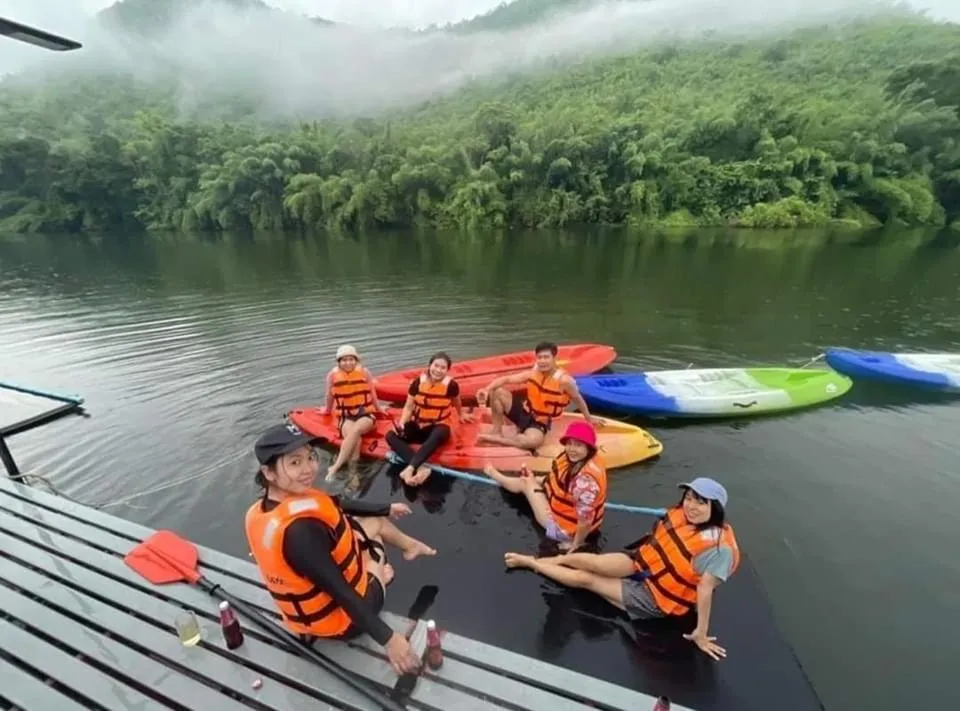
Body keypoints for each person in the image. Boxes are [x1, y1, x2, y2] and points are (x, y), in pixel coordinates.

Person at [245, 422, 437, 676]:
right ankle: (379, 571)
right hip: (341, 621)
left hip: (304, 609)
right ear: (268, 473)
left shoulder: (268, 507)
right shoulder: (299, 533)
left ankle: (409, 546)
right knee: (376, 542)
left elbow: (336, 503)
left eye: (311, 458)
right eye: (294, 463)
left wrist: (386, 508)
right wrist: (390, 640)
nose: (308, 469)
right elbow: (342, 593)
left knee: (373, 521)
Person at [503, 477, 738, 661]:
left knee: (587, 579)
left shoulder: (719, 550)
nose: (691, 506)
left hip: (654, 598)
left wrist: (701, 633)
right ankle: (554, 561)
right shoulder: (682, 516)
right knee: (593, 562)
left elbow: (705, 591)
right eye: (689, 498)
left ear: (714, 508)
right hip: (643, 563)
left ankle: (531, 563)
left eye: (701, 502)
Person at [483, 420, 607, 551]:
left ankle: (495, 475)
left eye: (578, 445)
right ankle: (520, 479)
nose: (572, 449)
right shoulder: (586, 460)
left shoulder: (584, 483)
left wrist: (575, 545)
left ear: (588, 448)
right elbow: (558, 479)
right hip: (567, 512)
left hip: (563, 530)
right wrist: (537, 480)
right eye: (569, 444)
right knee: (530, 479)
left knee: (525, 482)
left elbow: (585, 521)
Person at [475, 341, 601, 451]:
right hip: (524, 411)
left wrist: (589, 419)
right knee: (497, 391)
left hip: (540, 422)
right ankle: (497, 432)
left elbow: (578, 400)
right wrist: (486, 390)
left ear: (554, 358)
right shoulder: (533, 373)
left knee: (533, 442)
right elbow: (506, 379)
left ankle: (490, 439)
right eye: (539, 358)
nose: (542, 361)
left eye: (546, 357)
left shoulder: (565, 381)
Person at [386, 352, 473, 486]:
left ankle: (410, 468)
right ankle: (420, 467)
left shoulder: (451, 385)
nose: (438, 370)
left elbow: (457, 402)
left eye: (442, 368)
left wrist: (461, 414)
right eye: (436, 366)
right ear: (429, 365)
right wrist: (402, 424)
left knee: (441, 431)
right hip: (420, 425)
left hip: (438, 427)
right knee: (390, 435)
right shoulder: (417, 382)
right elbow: (408, 407)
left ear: (447, 370)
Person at [321, 344, 385, 479]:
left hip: (366, 416)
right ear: (338, 362)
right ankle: (353, 473)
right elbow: (329, 396)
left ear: (356, 360)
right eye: (344, 360)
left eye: (351, 359)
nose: (348, 362)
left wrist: (379, 409)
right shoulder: (332, 376)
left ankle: (336, 466)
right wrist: (326, 411)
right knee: (356, 440)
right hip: (346, 417)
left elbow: (372, 394)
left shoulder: (365, 372)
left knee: (356, 431)